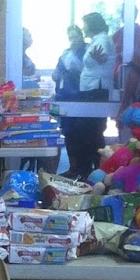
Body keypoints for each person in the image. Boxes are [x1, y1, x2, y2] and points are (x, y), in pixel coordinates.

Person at [63, 10, 116, 180]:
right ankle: (87, 170)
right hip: (90, 89)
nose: (84, 28)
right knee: (88, 130)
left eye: (85, 25)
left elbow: (103, 60)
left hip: (95, 89)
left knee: (92, 131)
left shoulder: (102, 41)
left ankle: (96, 170)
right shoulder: (96, 41)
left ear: (92, 25)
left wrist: (102, 60)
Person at [53, 24, 87, 175]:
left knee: (83, 134)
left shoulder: (87, 52)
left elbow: (88, 71)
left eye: (75, 36)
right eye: (70, 37)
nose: (73, 40)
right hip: (65, 97)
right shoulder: (66, 54)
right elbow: (57, 72)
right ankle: (73, 168)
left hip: (82, 99)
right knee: (69, 134)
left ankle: (84, 169)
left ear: (81, 36)